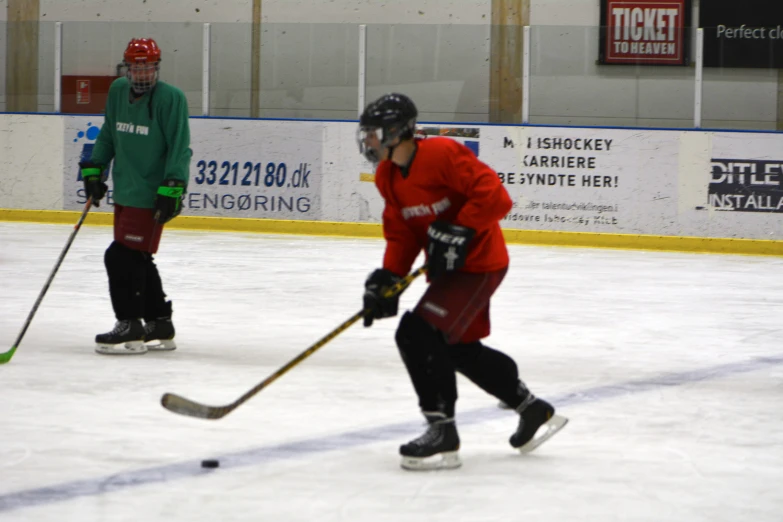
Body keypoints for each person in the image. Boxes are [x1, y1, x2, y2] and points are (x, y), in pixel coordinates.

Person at [357, 93, 567, 470]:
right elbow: (402, 233)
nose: (368, 141)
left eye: (373, 134)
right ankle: (532, 408)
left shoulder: (441, 154)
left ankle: (442, 431)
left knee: (417, 334)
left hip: (479, 264)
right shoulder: (387, 176)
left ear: (397, 132)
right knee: (458, 350)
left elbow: (495, 196)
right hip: (451, 271)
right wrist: (390, 277)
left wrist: (461, 228)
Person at [79, 37, 192, 355]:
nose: (142, 73)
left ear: (156, 68)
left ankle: (129, 323)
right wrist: (94, 169)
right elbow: (108, 133)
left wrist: (173, 186)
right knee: (138, 256)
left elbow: (179, 146)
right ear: (126, 68)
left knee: (119, 256)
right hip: (126, 189)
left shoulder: (171, 99)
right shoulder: (116, 91)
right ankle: (159, 322)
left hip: (151, 194)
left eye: (148, 67)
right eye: (136, 67)